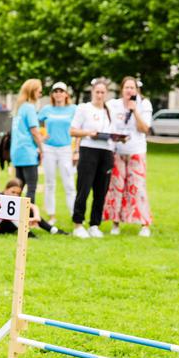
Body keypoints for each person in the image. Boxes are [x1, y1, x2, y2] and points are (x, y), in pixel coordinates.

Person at [103, 76, 154, 237]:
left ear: (137, 90)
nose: (129, 91)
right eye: (127, 88)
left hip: (136, 151)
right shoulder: (113, 105)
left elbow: (145, 128)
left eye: (132, 88)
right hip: (118, 152)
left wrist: (134, 111)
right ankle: (115, 223)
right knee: (116, 188)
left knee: (137, 188)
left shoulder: (144, 104)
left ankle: (144, 224)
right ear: (122, 89)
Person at [70, 78, 112, 238]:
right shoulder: (84, 108)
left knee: (101, 190)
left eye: (103, 92)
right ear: (92, 92)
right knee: (84, 188)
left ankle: (95, 224)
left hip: (106, 151)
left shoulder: (109, 111)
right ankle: (78, 223)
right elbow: (73, 130)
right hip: (89, 150)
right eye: (97, 92)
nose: (100, 95)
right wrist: (89, 133)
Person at [38, 82, 76, 225]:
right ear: (52, 94)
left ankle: (74, 213)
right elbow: (36, 124)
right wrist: (42, 136)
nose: (58, 93)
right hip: (49, 149)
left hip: (66, 148)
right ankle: (51, 215)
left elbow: (78, 128)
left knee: (69, 182)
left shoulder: (73, 109)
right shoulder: (46, 109)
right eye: (56, 91)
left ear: (66, 94)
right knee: (49, 182)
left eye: (61, 91)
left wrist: (76, 149)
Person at [0, 178, 66, 236]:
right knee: (13, 214)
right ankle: (27, 233)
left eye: (17, 193)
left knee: (27, 210)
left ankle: (53, 230)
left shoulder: (16, 199)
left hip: (11, 225)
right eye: (12, 192)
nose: (15, 195)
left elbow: (33, 206)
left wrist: (36, 217)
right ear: (6, 189)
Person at [10, 79, 44, 204]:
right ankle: (28, 218)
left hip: (17, 152)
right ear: (33, 91)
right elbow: (34, 131)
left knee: (18, 187)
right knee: (31, 187)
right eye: (39, 91)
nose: (40, 94)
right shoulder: (29, 108)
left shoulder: (19, 108)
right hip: (28, 152)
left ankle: (14, 217)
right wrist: (41, 149)